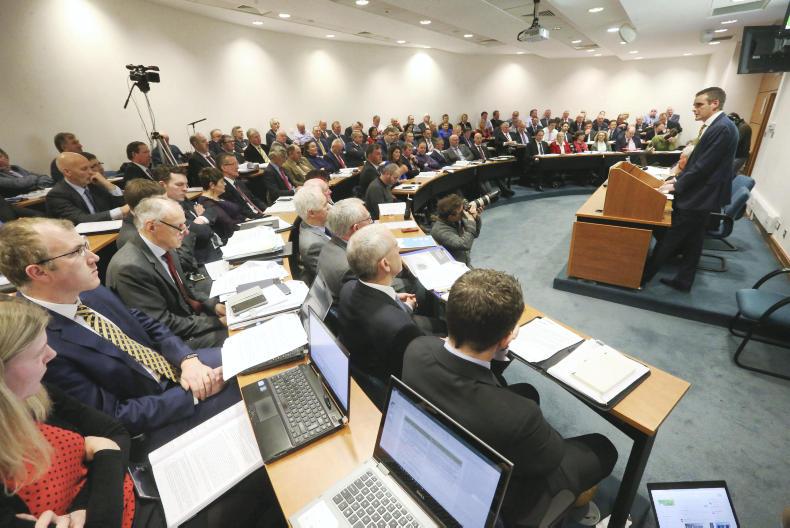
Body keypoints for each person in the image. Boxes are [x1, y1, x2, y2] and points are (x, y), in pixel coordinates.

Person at [402, 269, 617, 526]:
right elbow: (552, 456)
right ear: (506, 338)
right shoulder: (519, 415)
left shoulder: (416, 349)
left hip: (439, 446)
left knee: (528, 391)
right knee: (602, 448)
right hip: (497, 494)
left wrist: (499, 351)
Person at [0, 218, 239, 450]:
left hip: (175, 372)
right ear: (38, 272)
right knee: (247, 391)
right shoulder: (35, 343)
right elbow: (112, 416)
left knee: (248, 357)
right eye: (76, 252)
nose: (93, 257)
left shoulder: (87, 289)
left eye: (85, 245)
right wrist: (193, 395)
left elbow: (146, 324)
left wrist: (187, 359)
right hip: (152, 421)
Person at [0, 297, 135, 527]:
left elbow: (115, 432)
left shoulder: (35, 394)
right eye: (37, 354)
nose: (52, 354)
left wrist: (82, 508)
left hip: (135, 489)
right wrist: (105, 451)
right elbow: (110, 444)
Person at [644, 86, 738, 291]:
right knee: (694, 241)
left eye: (699, 104)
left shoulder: (722, 128)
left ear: (715, 104)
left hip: (700, 196)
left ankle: (642, 278)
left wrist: (677, 185)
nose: (694, 109)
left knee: (671, 238)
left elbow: (703, 166)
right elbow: (698, 163)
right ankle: (684, 281)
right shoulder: (717, 126)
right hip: (702, 195)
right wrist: (677, 180)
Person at [106, 197, 227, 349]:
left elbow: (186, 288)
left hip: (187, 320)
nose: (186, 231)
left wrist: (213, 306)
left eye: (184, 224)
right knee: (239, 336)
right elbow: (161, 323)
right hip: (171, 342)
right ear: (151, 227)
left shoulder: (164, 243)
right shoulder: (129, 268)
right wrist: (216, 322)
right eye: (179, 226)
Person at [337, 224, 443, 384]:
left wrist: (395, 299)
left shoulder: (348, 288)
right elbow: (418, 367)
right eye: (396, 247)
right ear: (385, 264)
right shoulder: (401, 327)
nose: (399, 249)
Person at [45, 152, 130, 224]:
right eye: (84, 169)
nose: (91, 172)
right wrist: (121, 210)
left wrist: (107, 184)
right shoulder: (57, 195)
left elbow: (123, 204)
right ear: (67, 172)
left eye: (90, 167)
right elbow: (81, 219)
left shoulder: (94, 184)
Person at [317, 198, 372, 302]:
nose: (371, 223)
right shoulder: (349, 267)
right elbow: (369, 296)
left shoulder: (329, 245)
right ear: (356, 228)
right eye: (369, 219)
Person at [430, 194, 481, 267]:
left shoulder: (455, 220)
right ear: (450, 216)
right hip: (455, 268)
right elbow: (464, 244)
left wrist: (476, 218)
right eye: (461, 212)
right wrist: (471, 221)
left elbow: (474, 234)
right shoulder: (440, 231)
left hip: (465, 264)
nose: (463, 213)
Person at [294, 185, 331, 285]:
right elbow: (331, 277)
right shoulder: (312, 246)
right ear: (312, 213)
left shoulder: (317, 222)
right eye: (325, 205)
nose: (329, 207)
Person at [197, 167, 244, 242]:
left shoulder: (216, 197)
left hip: (240, 229)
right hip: (233, 238)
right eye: (222, 182)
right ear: (212, 185)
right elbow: (228, 224)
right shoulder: (207, 203)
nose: (225, 184)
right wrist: (246, 223)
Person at [218, 152, 267, 218]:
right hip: (250, 218)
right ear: (224, 168)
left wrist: (267, 209)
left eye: (237, 163)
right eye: (233, 164)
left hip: (259, 214)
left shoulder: (238, 182)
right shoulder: (223, 188)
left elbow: (253, 199)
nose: (237, 167)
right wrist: (260, 216)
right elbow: (239, 211)